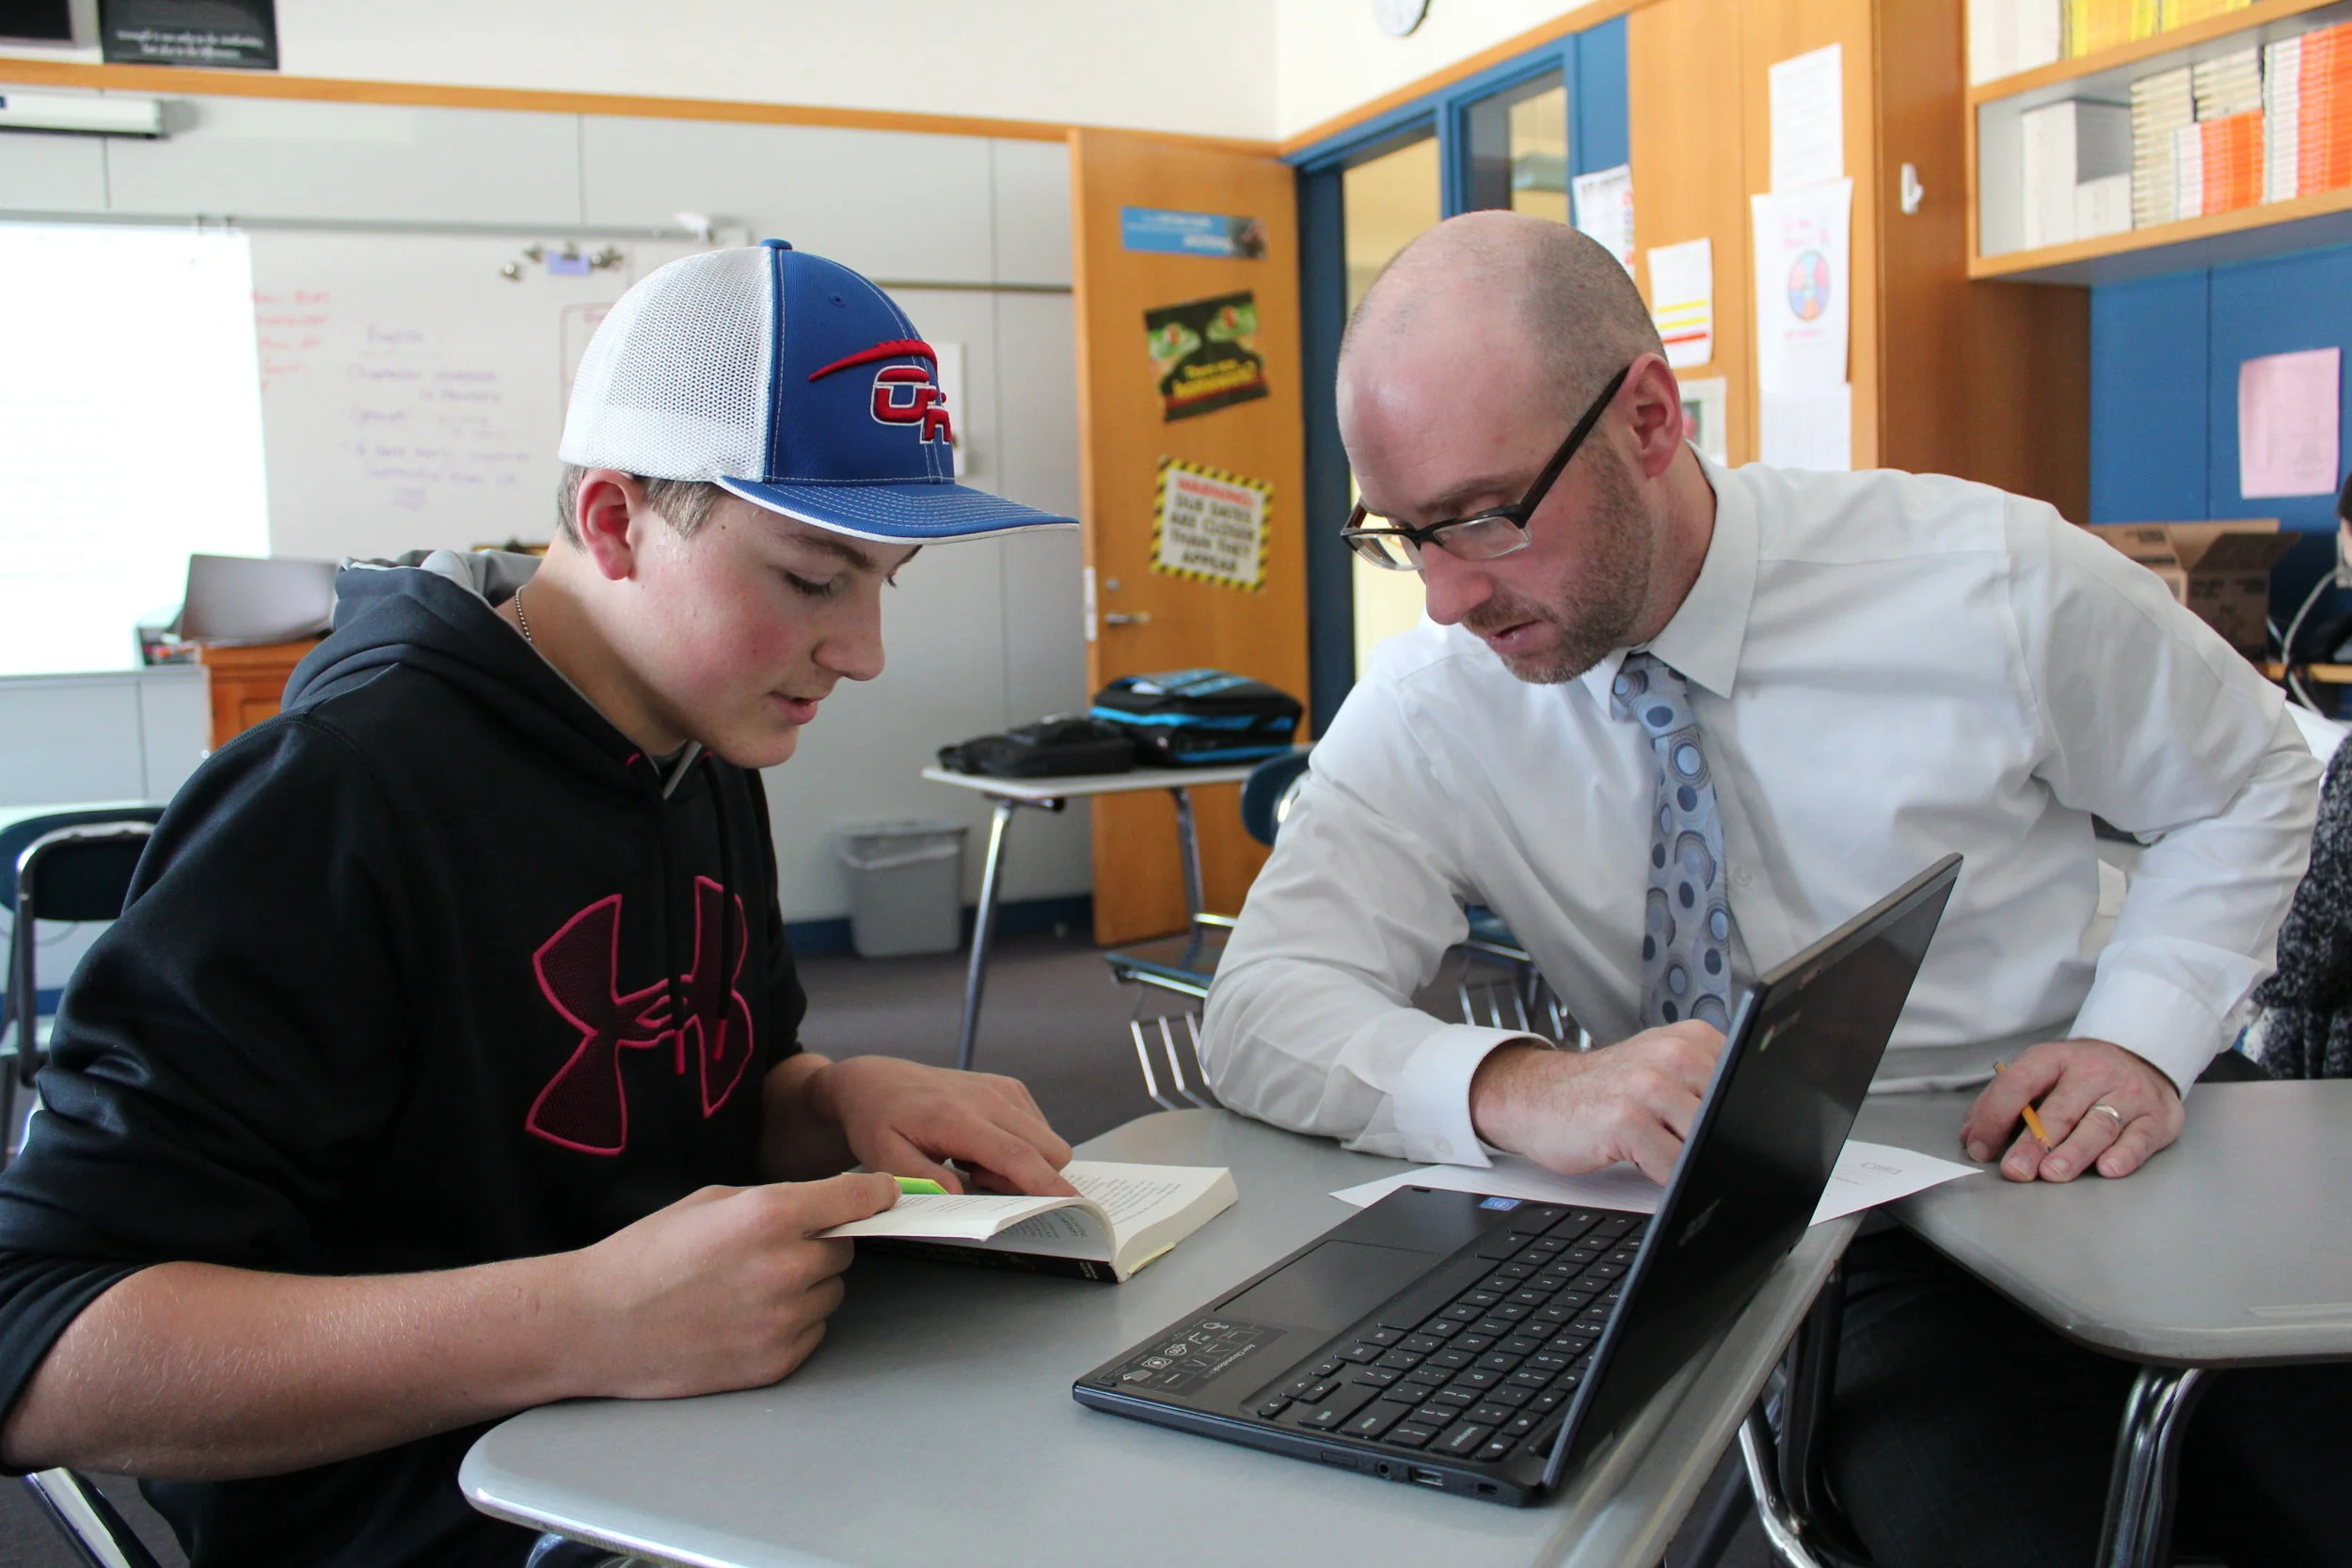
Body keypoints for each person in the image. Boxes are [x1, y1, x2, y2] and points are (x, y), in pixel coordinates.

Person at [1200, 211, 2344, 1566]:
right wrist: (1524, 1083)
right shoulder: (1437, 702)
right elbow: (1261, 1007)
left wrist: (2141, 1031)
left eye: (1487, 518)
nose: (1446, 596)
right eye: (1403, 535)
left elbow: (2250, 776)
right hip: (1840, 1252)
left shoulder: (1981, 577)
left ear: (1647, 419)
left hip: (2087, 1143)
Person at [0, 241, 1083, 1568]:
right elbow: (41, 1338)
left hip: (686, 1447)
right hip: (432, 1518)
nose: (862, 652)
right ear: (616, 521)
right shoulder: (335, 795)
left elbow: (682, 1087)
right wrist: (575, 1319)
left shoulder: (702, 740)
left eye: (883, 584)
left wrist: (826, 1096)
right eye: (812, 578)